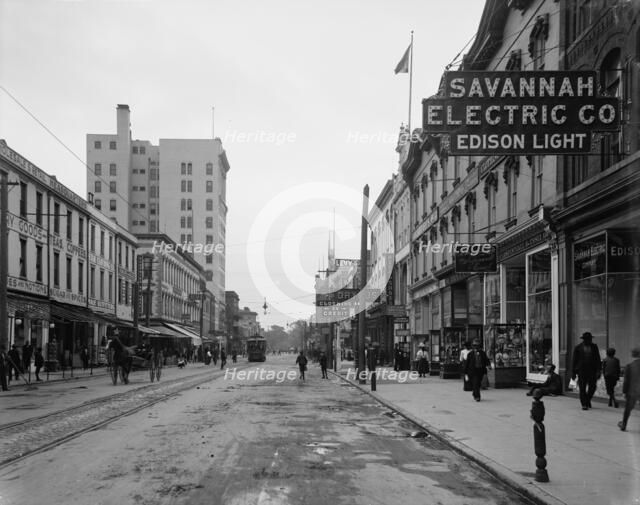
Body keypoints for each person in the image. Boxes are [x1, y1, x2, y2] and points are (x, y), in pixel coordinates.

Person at [571, 332, 602, 410]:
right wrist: (573, 372)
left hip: (592, 370)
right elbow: (574, 361)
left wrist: (598, 370)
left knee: (592, 387)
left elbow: (597, 359)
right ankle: (584, 404)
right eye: (588, 339)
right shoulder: (578, 348)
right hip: (582, 371)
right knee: (582, 388)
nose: (590, 340)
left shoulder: (594, 347)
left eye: (590, 339)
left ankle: (587, 400)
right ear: (584, 340)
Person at [619, 347, 640, 431]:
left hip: (632, 391)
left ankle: (624, 424)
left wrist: (624, 392)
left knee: (628, 409)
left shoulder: (629, 366)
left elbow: (626, 381)